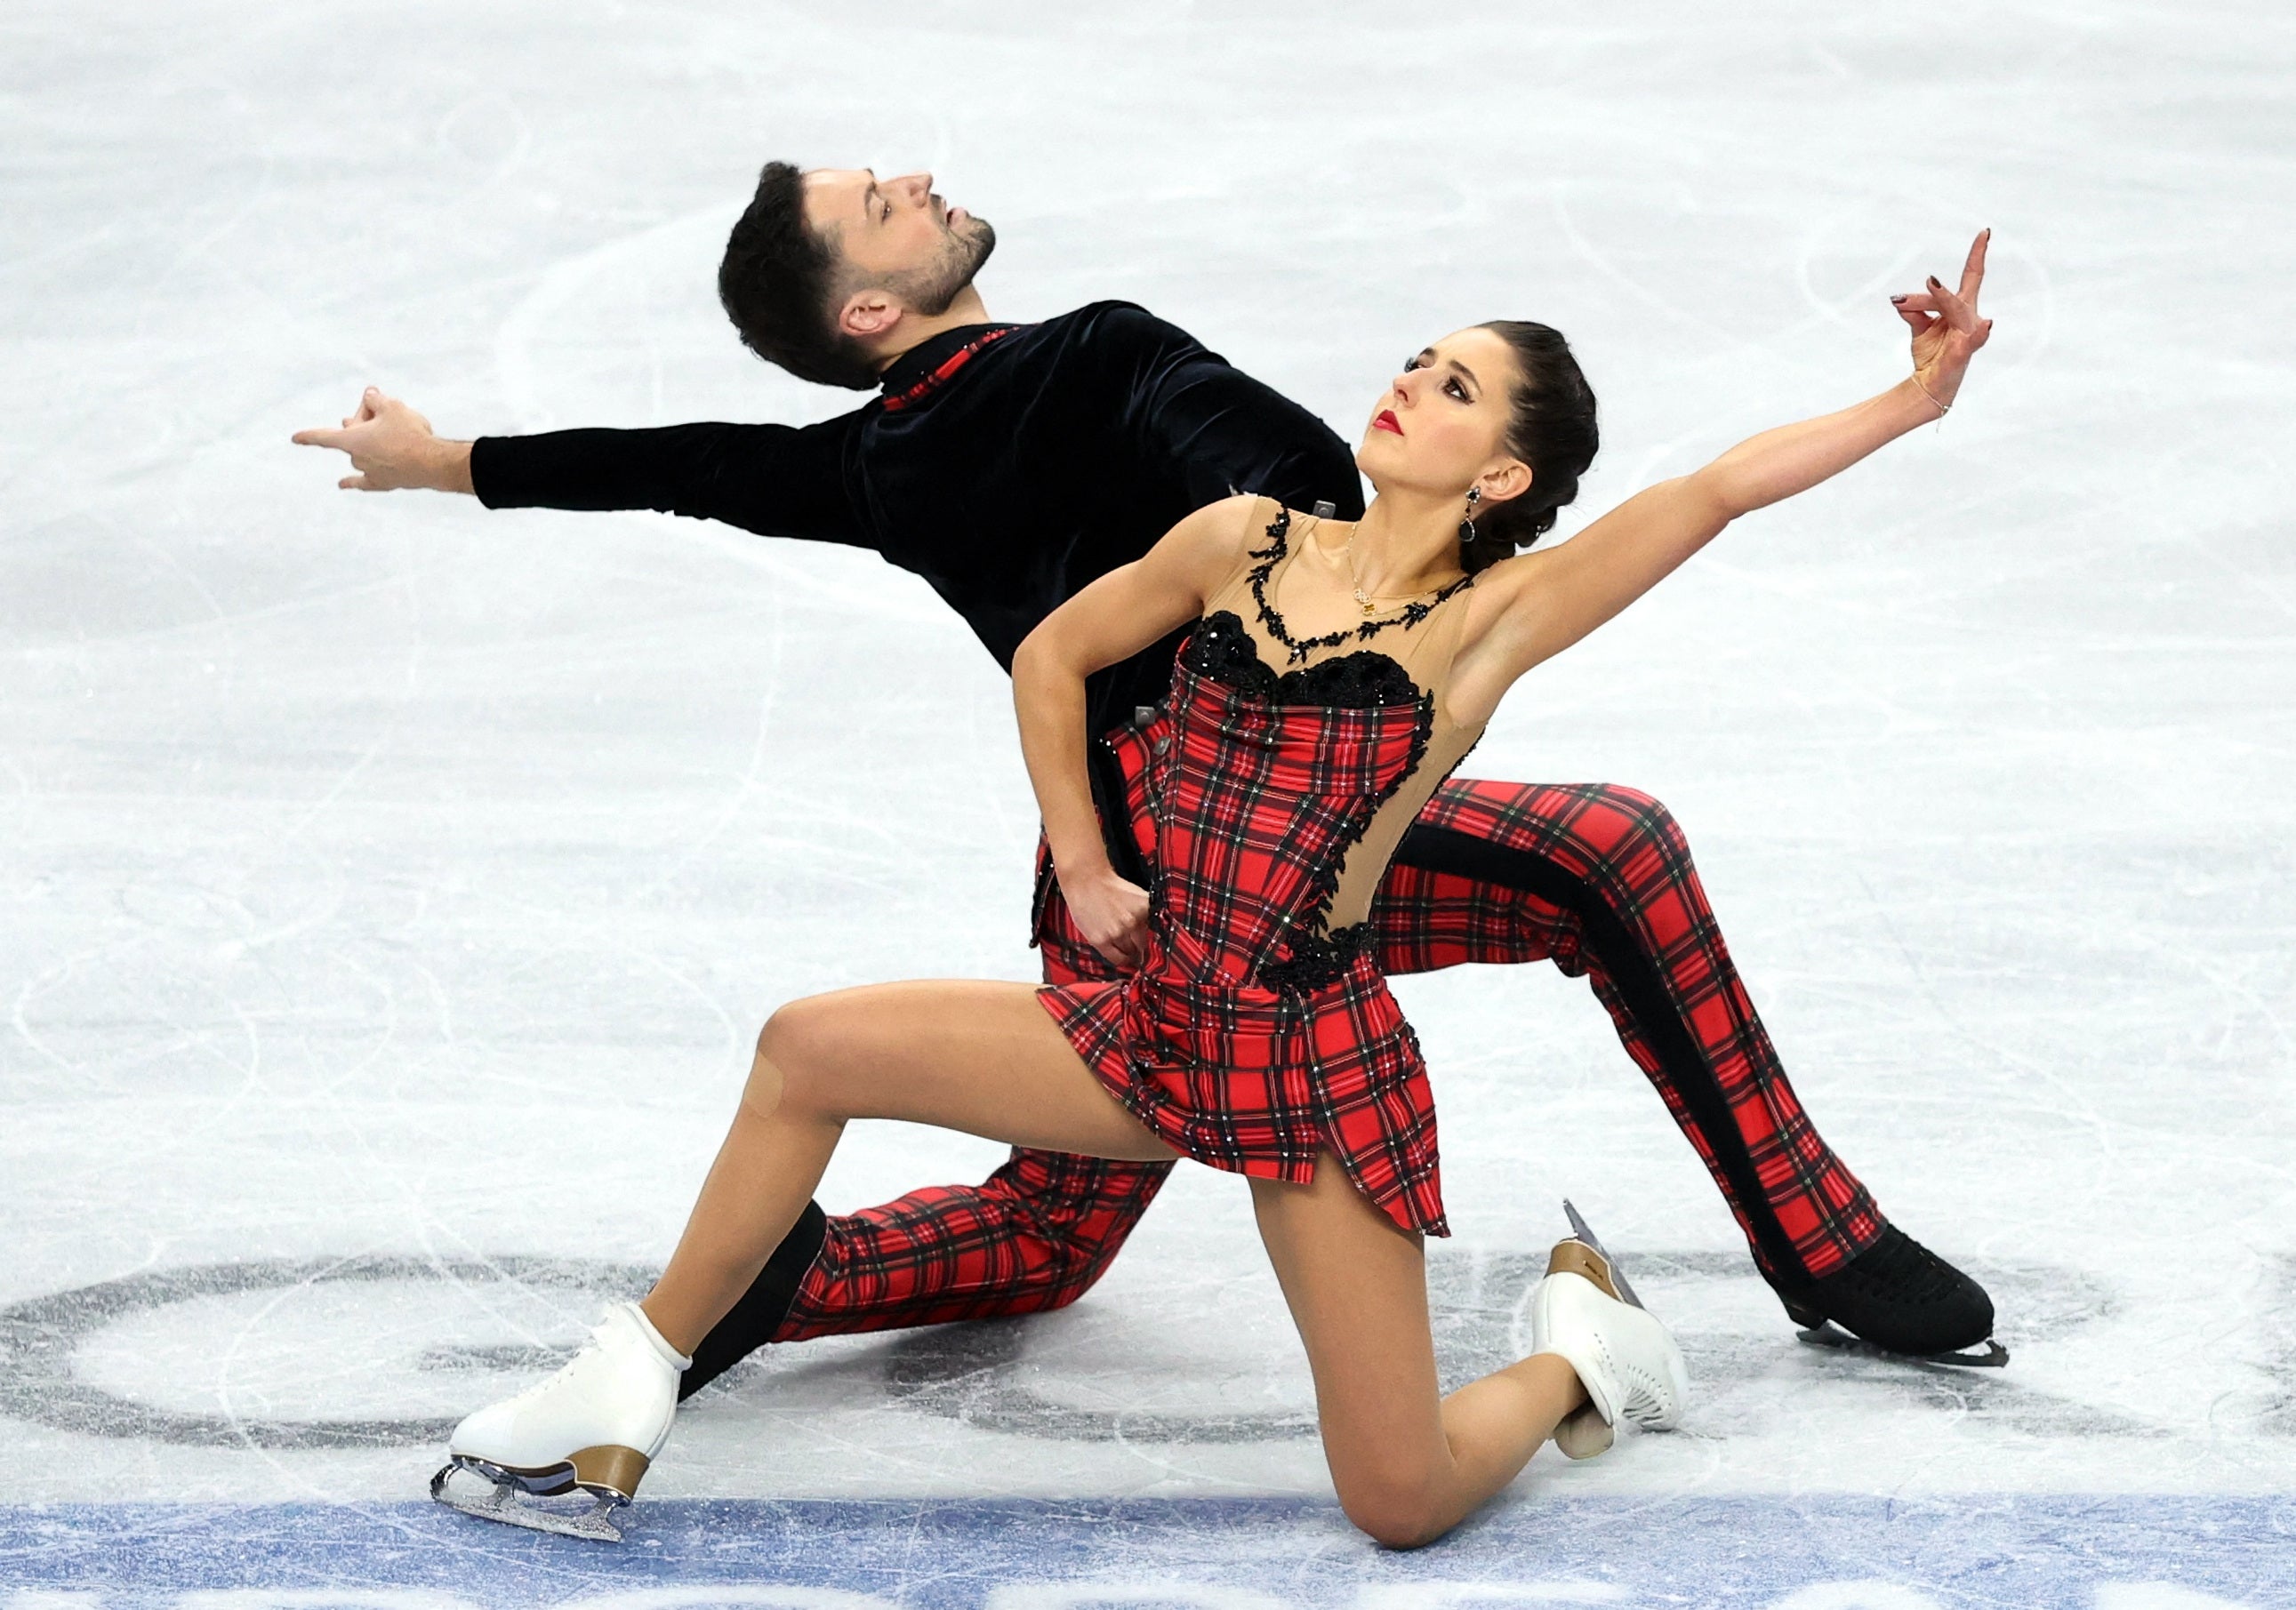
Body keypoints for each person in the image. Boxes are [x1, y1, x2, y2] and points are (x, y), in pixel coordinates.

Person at [428, 235, 1998, 1548]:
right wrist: (1090, 861)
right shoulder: (1242, 538)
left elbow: (1713, 490)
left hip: (1309, 1068)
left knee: (1398, 1500)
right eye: (1413, 359)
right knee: (807, 1046)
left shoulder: (1489, 622)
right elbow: (1054, 658)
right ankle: (627, 1378)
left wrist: (1911, 400)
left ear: (1501, 467)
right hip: (1146, 1024)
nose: (1405, 386)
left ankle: (1582, 1354)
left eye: (1452, 387)